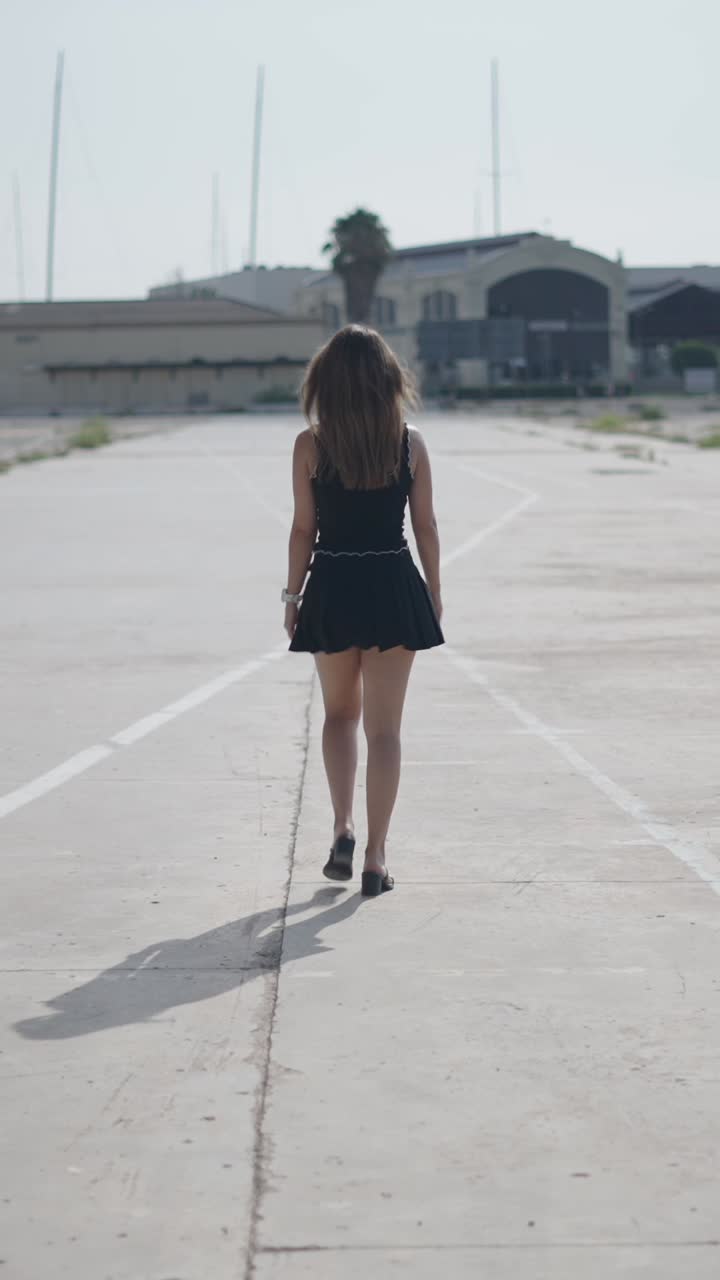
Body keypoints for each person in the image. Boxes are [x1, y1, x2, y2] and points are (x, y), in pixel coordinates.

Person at [283, 325, 445, 897]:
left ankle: (342, 829)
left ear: (326, 381)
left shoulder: (311, 444)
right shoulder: (410, 442)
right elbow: (424, 526)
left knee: (338, 716)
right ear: (387, 380)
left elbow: (304, 528)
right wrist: (434, 591)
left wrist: (292, 595)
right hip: (392, 581)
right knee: (386, 730)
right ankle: (376, 858)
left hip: (331, 581)